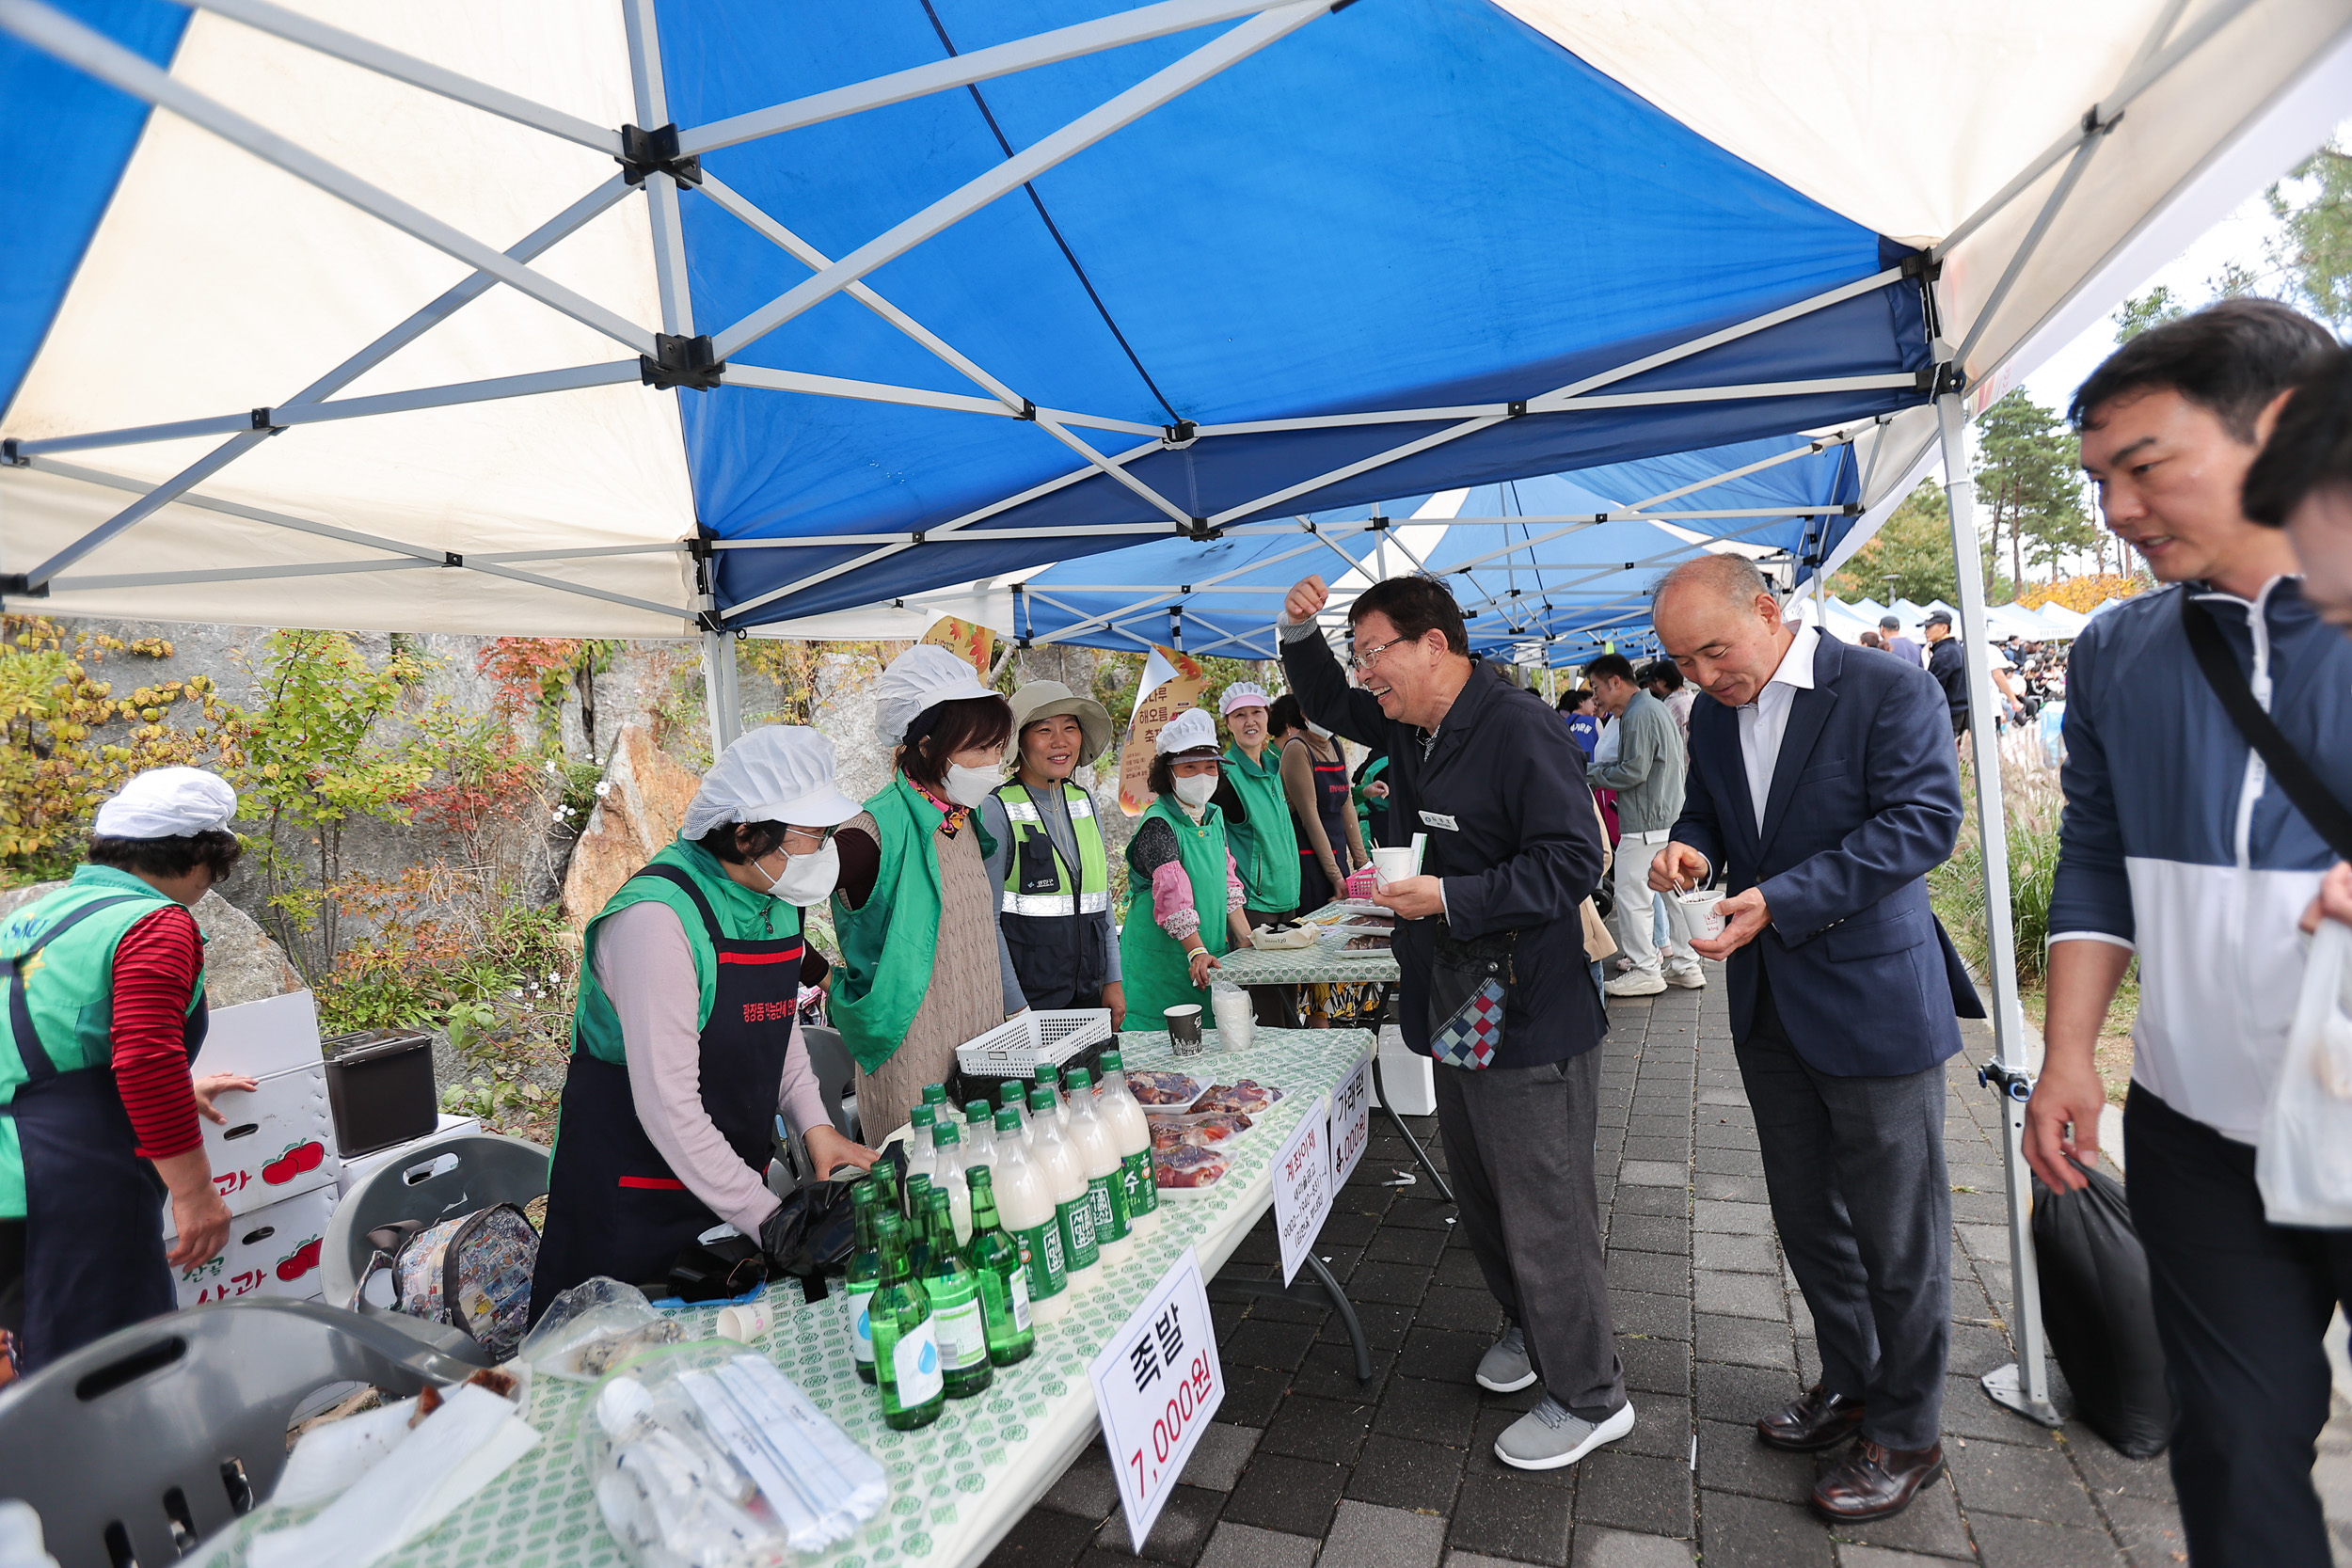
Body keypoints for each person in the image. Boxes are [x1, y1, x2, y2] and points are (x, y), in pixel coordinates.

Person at [2026, 299, 2352, 1567]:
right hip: (2200, 1128)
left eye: (2145, 465)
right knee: (2230, 1442)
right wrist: (2068, 1056)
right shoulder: (2119, 651)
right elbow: (2098, 857)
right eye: (2100, 477)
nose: (2115, 508)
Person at [1646, 553, 1980, 1524]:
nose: (1704, 676)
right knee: (1806, 1216)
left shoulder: (1886, 686)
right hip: (1767, 1005)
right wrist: (1689, 843)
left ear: (1768, 608)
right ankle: (1855, 1377)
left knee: (1898, 1234)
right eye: (1684, 660)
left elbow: (1923, 822)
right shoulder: (1710, 715)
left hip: (1874, 1001)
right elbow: (1716, 811)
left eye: (1714, 649)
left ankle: (1909, 1430)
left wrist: (1778, 897)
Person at [1279, 572, 1629, 1473]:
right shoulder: (1416, 725)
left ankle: (1592, 1394)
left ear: (1436, 645)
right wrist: (1299, 633)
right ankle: (1529, 1324)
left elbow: (1569, 863)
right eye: (1358, 656)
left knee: (1545, 1205)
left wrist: (1450, 895)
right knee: (1483, 1192)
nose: (1366, 674)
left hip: (1532, 1011)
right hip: (1462, 1005)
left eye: (1374, 654)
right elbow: (1322, 699)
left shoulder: (1518, 727)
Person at [532, 728, 875, 1316]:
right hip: (632, 1206)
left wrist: (816, 1128)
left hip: (723, 1193)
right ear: (745, 834)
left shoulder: (773, 898)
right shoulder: (657, 921)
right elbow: (669, 1107)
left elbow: (778, 1033)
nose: (827, 854)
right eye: (813, 838)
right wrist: (773, 1221)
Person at [0, 768, 256, 1372]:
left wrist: (170, 1091)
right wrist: (196, 1196)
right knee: (110, 1378)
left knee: (30, 1366)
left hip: (15, 1180)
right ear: (200, 857)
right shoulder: (155, 923)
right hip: (68, 1183)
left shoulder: (32, 921)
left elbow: (43, 1047)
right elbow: (144, 1059)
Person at [830, 645, 1023, 1141]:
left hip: (981, 1051)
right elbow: (778, 891)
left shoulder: (962, 819)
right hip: (912, 1063)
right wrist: (830, 984)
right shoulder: (871, 830)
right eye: (978, 749)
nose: (992, 764)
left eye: (997, 749)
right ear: (923, 745)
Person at [978, 681, 1124, 1027]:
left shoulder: (1084, 802)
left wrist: (1113, 980)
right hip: (1031, 1004)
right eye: (1044, 730)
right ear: (1019, 742)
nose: (1060, 742)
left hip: (1089, 994)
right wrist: (1015, 1007)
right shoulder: (997, 809)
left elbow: (1101, 902)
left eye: (1070, 728)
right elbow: (989, 921)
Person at [1118, 708, 1251, 1027]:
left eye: (1209, 767)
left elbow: (1228, 885)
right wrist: (1195, 952)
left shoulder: (1214, 816)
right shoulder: (1158, 823)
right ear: (1169, 773)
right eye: (1189, 768)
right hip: (1161, 967)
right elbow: (1173, 898)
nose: (1202, 776)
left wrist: (1247, 939)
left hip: (1208, 958)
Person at [1582, 653, 1704, 996]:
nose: (1596, 698)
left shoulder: (1638, 713)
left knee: (1632, 896)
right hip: (1666, 817)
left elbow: (1633, 771)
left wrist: (1590, 773)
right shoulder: (1652, 708)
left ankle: (1646, 968)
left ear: (1615, 682)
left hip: (1646, 822)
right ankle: (1686, 964)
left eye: (1597, 689)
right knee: (1673, 896)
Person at [1213, 683, 1302, 934]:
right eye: (1240, 715)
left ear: (1267, 717)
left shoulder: (1273, 767)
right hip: (1254, 904)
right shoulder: (1225, 777)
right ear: (1228, 724)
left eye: (1256, 712)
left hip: (1288, 897)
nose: (1249, 721)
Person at [1269, 692, 1365, 913]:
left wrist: (1362, 863)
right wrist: (1335, 876)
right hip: (1310, 861)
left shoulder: (1335, 744)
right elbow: (1309, 815)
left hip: (1337, 855)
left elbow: (1347, 803)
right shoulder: (1297, 749)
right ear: (1304, 714)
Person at [1921, 611, 1968, 737]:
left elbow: (1932, 687)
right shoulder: (1955, 648)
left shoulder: (1945, 653)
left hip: (1948, 713)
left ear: (1944, 628)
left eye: (1929, 627)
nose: (1926, 631)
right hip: (1958, 711)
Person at [1642, 659, 1695, 744]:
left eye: (1656, 681)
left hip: (1679, 755)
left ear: (1663, 681)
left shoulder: (1669, 706)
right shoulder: (1692, 697)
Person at [1558, 688, 1601, 755]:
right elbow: (1603, 748)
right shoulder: (1594, 721)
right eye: (1593, 702)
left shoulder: (1561, 725)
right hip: (1592, 764)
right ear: (1581, 702)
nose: (1595, 707)